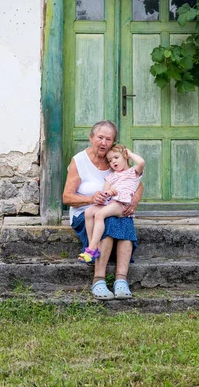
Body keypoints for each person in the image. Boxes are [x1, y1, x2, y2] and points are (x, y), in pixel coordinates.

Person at [62, 120, 143, 300]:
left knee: (123, 218)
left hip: (112, 208)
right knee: (110, 220)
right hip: (85, 214)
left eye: (108, 139)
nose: (103, 143)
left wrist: (134, 202)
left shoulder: (116, 160)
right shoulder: (79, 161)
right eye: (100, 137)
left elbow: (137, 184)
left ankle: (121, 280)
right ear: (91, 138)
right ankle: (98, 280)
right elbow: (67, 197)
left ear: (113, 142)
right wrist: (91, 199)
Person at [78, 144, 145, 264]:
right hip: (112, 203)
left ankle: (92, 249)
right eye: (110, 160)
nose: (113, 161)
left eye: (116, 157)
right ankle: (92, 244)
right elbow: (105, 194)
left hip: (122, 205)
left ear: (124, 156)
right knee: (88, 212)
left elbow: (141, 162)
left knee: (99, 215)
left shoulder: (132, 173)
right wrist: (107, 193)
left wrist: (129, 153)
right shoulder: (111, 177)